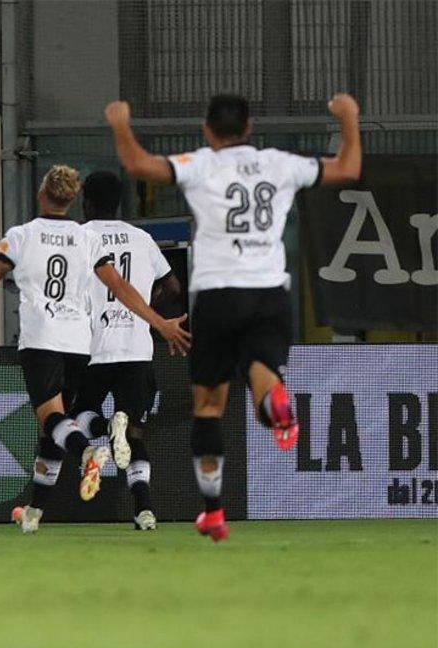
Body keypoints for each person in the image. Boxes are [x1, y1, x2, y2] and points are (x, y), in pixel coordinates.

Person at [105, 92, 362, 541]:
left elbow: (141, 167)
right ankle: (276, 403)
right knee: (263, 372)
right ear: (250, 127)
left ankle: (214, 511)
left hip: (219, 295)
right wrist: (349, 118)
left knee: (208, 408)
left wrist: (121, 124)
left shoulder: (203, 164)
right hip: (268, 293)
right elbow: (347, 169)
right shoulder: (280, 163)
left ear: (207, 129)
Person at [0, 166, 191, 534]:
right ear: (72, 199)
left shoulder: (22, 235)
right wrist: (159, 323)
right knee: (57, 427)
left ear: (43, 193)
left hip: (42, 340)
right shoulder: (85, 239)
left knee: (53, 421)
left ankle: (87, 452)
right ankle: (35, 511)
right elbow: (120, 287)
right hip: (78, 344)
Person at [66, 171, 183, 531]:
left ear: (87, 202)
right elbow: (173, 284)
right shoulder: (142, 238)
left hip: (94, 345)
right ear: (119, 203)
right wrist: (146, 306)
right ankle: (144, 510)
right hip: (136, 346)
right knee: (134, 432)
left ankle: (103, 426)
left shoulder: (80, 237)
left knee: (79, 416)